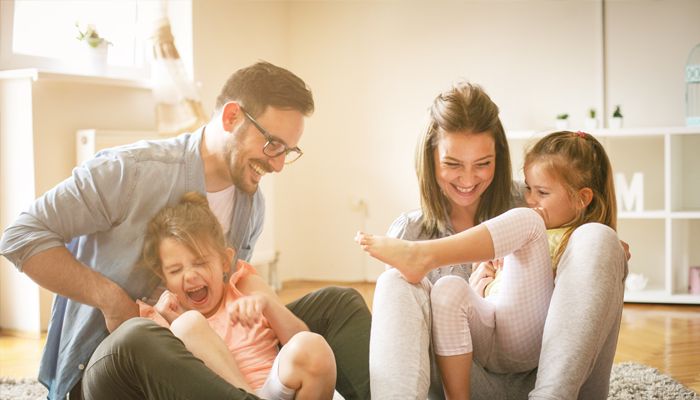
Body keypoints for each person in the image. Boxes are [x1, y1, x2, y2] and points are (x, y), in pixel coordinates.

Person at [0, 61, 370, 400]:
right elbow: (21, 236)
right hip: (120, 364)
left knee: (340, 303)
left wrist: (263, 310)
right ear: (231, 117)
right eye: (272, 144)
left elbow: (227, 308)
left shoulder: (250, 204)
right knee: (141, 336)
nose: (278, 164)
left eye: (287, 151)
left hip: (206, 363)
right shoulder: (131, 171)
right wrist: (110, 300)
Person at [367, 82, 628, 400]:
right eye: (452, 164)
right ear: (430, 159)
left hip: (545, 377)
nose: (467, 180)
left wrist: (603, 251)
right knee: (394, 282)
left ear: (499, 157)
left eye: (483, 164)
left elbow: (589, 253)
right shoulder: (409, 231)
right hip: (463, 385)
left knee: (598, 237)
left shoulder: (534, 202)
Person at [133, 192, 336, 399]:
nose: (190, 276)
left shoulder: (244, 287)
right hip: (223, 396)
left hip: (272, 389)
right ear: (163, 276)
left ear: (224, 261)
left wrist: (268, 305)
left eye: (200, 263)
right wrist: (172, 323)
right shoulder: (160, 316)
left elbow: (299, 340)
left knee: (312, 346)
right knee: (188, 324)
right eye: (175, 270)